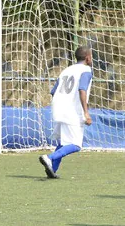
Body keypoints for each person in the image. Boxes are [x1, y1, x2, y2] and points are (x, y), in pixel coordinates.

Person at [39, 46, 93, 179]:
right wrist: (86, 113)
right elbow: (82, 90)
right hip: (72, 111)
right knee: (75, 145)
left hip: (58, 108)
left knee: (63, 143)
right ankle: (49, 157)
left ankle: (52, 168)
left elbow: (53, 91)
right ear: (87, 58)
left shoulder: (66, 70)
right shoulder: (86, 70)